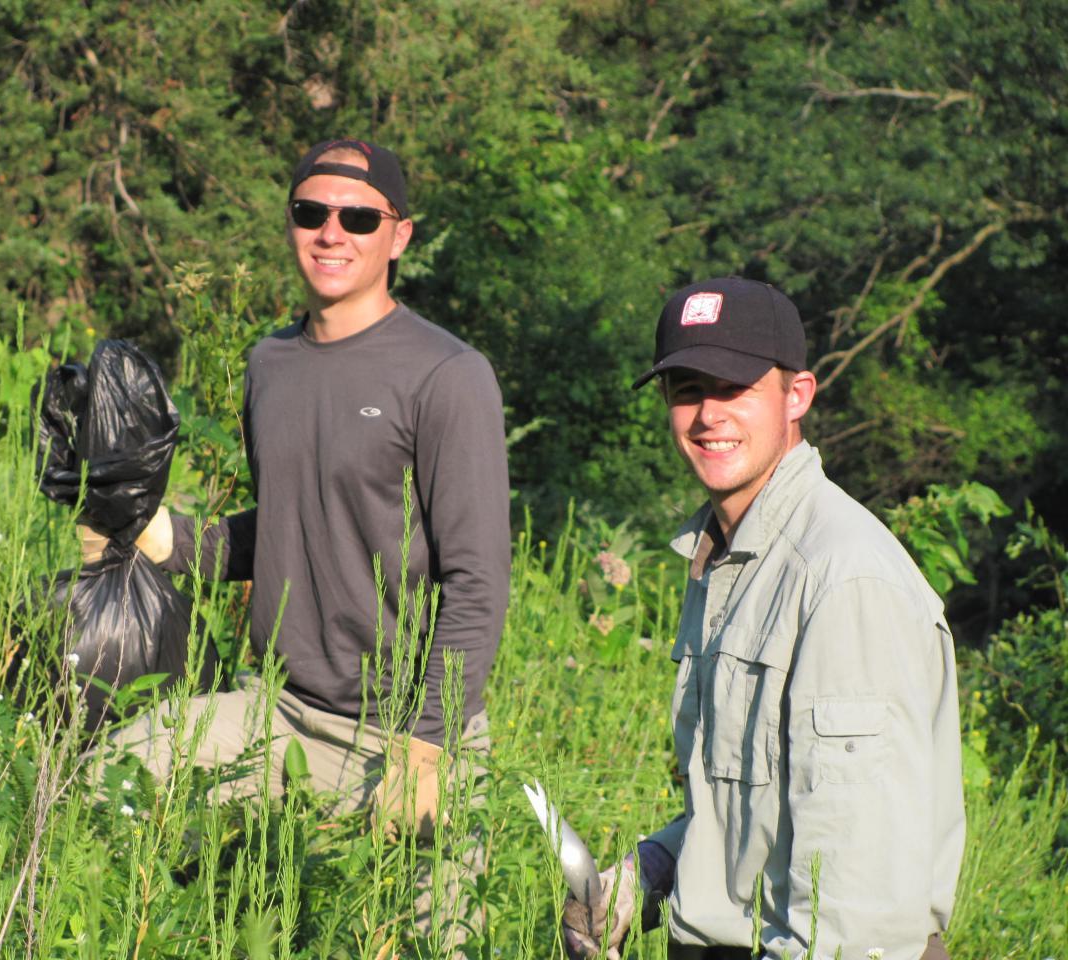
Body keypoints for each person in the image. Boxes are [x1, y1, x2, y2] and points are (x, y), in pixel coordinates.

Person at [81, 138, 511, 847]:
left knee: (436, 941)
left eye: (359, 218)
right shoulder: (271, 364)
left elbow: (477, 582)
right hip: (277, 710)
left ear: (399, 235)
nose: (331, 231)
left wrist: (426, 749)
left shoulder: (447, 375)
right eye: (311, 212)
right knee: (103, 789)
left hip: (406, 732)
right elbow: (293, 521)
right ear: (291, 224)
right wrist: (167, 540)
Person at [563, 277, 965, 960]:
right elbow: (747, 808)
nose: (708, 414)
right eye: (687, 389)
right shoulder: (729, 561)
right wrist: (647, 876)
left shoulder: (841, 580)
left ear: (797, 395)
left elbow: (853, 890)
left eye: (735, 387)